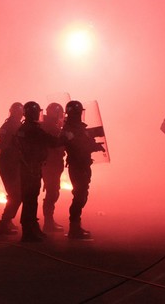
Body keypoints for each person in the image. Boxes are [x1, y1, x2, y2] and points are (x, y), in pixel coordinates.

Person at [16, 101, 60, 242]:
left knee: (30, 200)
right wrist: (67, 138)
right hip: (32, 167)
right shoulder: (33, 129)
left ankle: (32, 228)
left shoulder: (23, 128)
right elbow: (52, 142)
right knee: (30, 200)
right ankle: (29, 231)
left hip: (28, 166)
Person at [60, 101, 105, 239]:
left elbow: (85, 142)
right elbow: (76, 146)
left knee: (82, 195)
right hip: (77, 165)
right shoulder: (68, 130)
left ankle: (76, 227)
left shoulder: (79, 128)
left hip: (84, 165)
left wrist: (94, 145)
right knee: (79, 196)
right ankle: (74, 228)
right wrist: (93, 146)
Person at [0, 102, 23, 235]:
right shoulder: (16, 127)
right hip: (10, 164)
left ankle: (7, 221)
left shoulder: (8, 125)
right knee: (16, 195)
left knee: (15, 194)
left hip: (9, 163)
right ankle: (4, 223)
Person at [40, 103, 66, 232]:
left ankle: (48, 221)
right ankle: (48, 222)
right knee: (52, 193)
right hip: (51, 165)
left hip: (49, 164)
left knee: (52, 192)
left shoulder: (45, 125)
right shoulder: (52, 128)